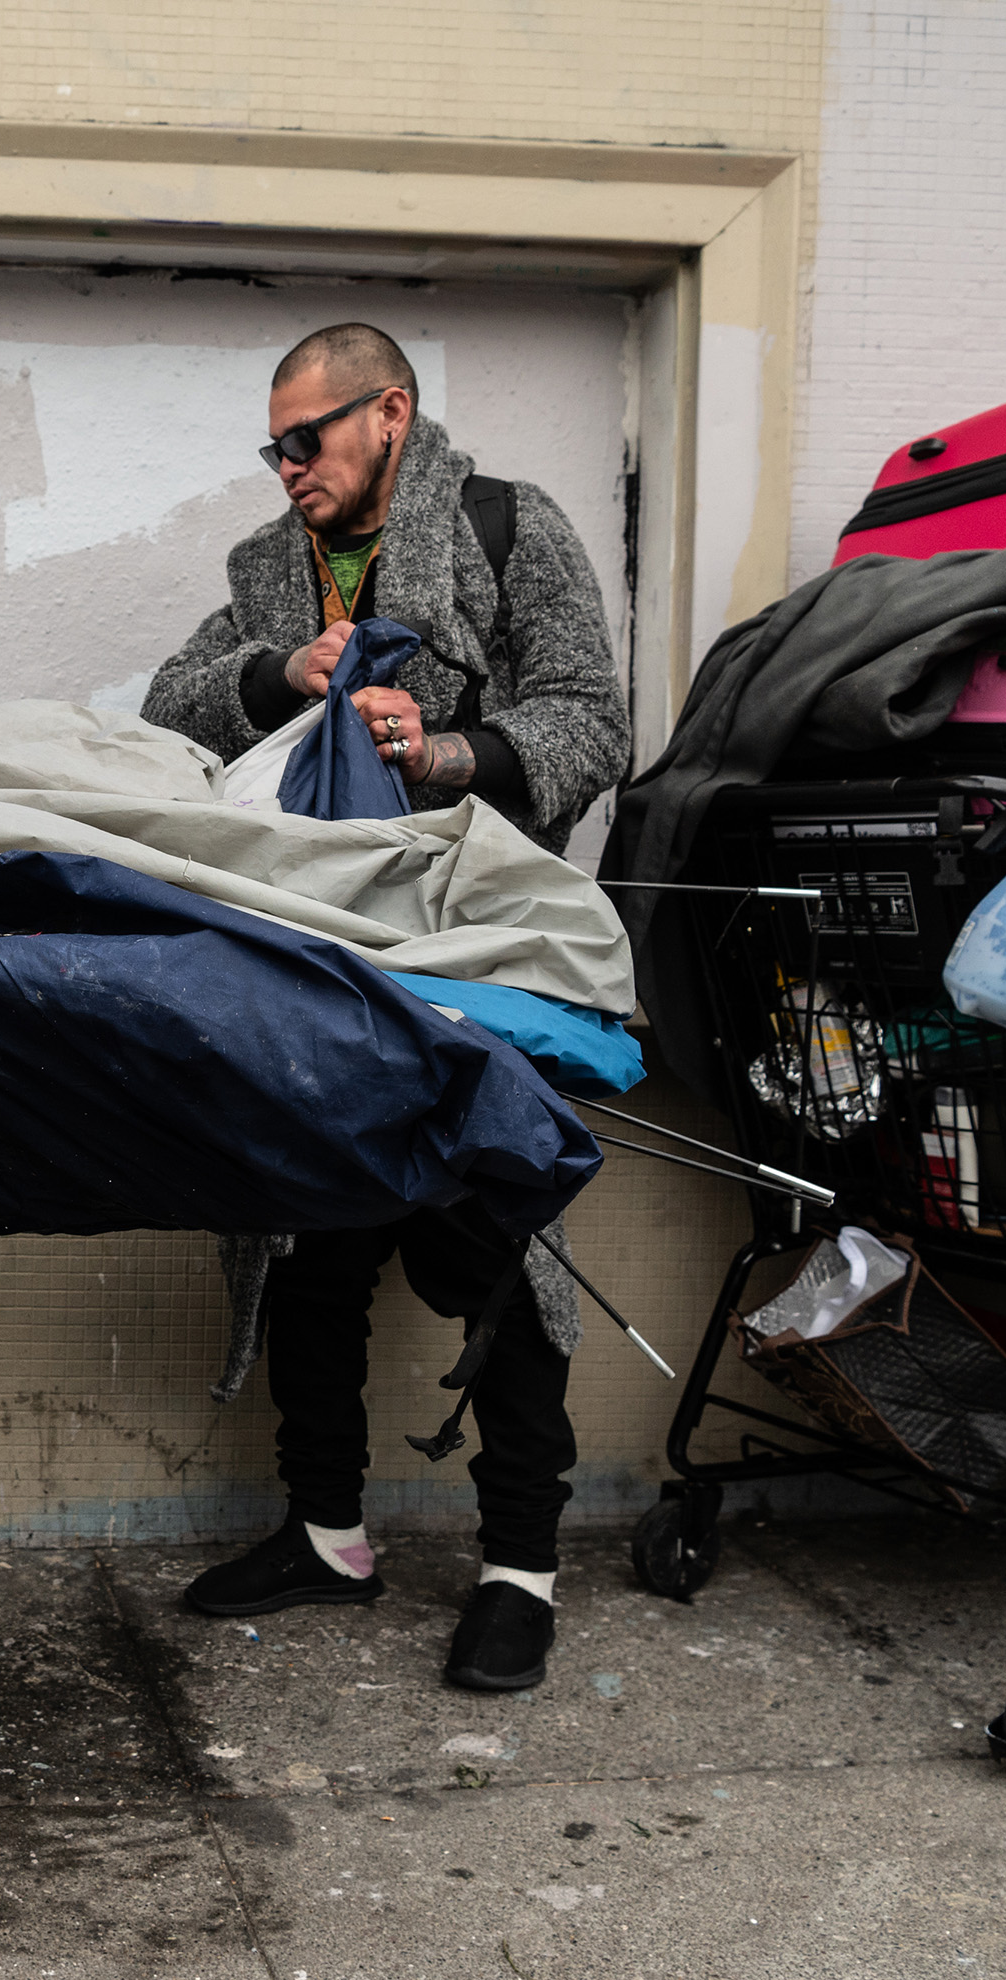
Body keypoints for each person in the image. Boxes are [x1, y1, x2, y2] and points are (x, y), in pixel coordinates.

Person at [139, 322, 630, 1692]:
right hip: (311, 950)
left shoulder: (506, 527)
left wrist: (451, 748)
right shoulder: (263, 573)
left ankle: (520, 1571)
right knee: (308, 1230)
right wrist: (276, 677)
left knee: (504, 1235)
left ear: (390, 415)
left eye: (308, 438)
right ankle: (326, 1529)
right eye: (271, 444)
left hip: (474, 947)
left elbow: (594, 720)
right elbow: (166, 704)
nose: (286, 466)